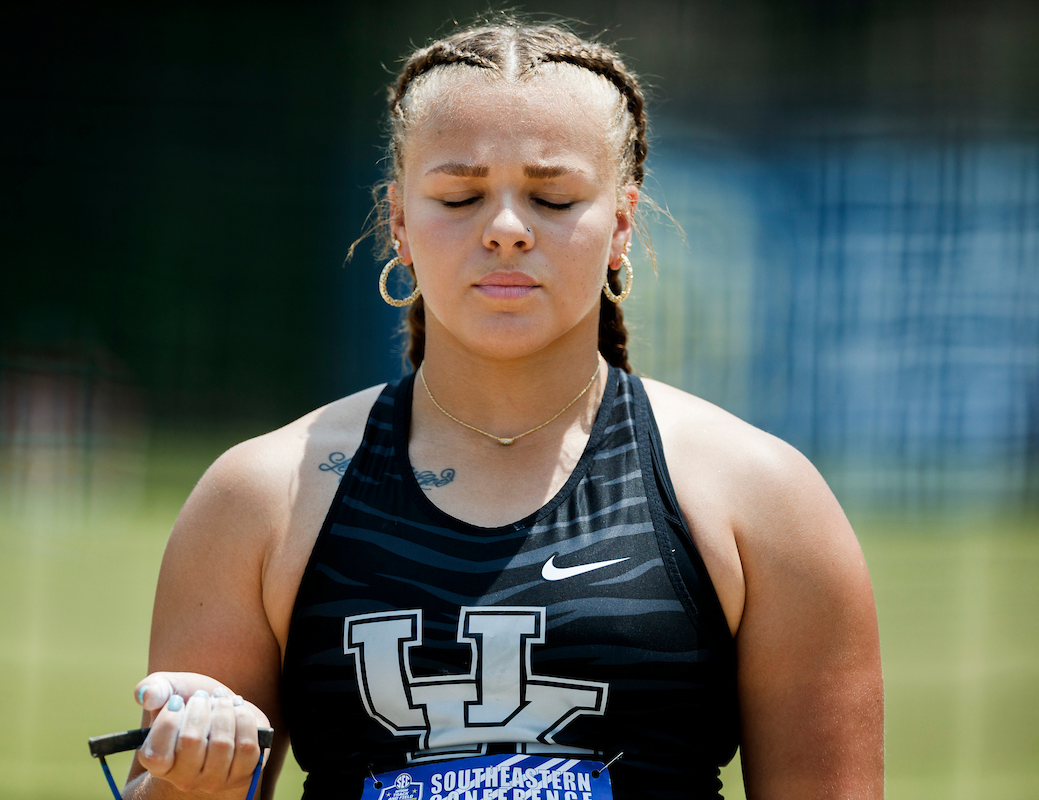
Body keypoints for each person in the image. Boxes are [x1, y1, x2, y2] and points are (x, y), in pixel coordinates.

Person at [121, 19, 883, 800]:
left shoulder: (763, 498)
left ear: (621, 223)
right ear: (399, 223)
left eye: (553, 198)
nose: (507, 231)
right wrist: (190, 784)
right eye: (461, 195)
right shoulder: (259, 498)